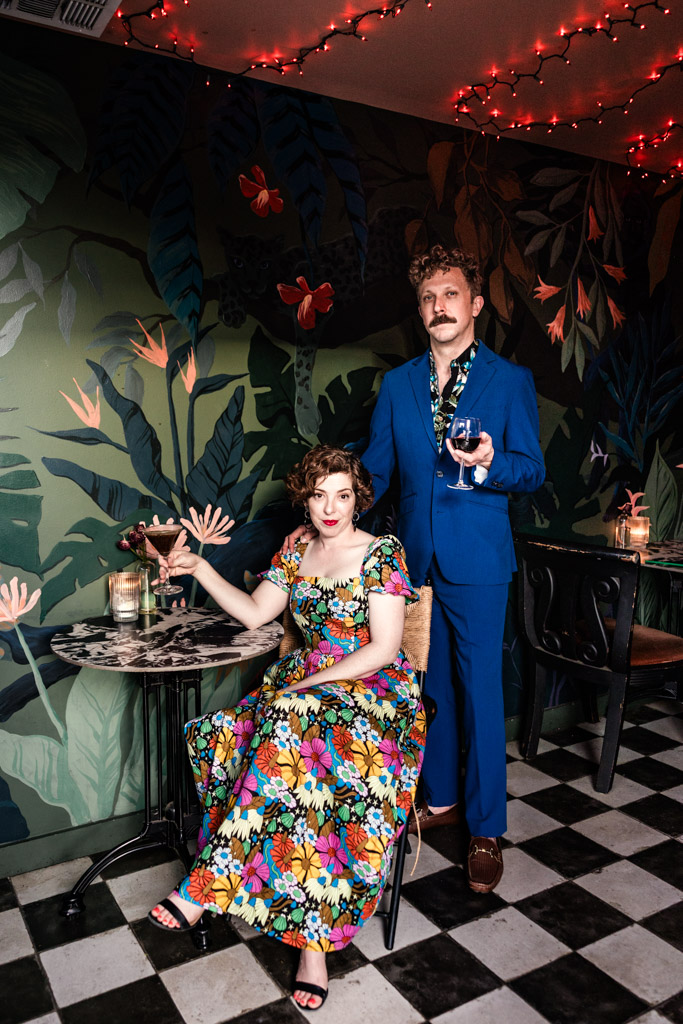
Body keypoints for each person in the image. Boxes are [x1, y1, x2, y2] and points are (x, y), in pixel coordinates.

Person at [285, 245, 545, 894]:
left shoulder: (508, 381)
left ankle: (485, 829)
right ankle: (441, 799)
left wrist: (486, 464)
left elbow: (531, 470)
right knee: (430, 691)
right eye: (429, 298)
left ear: (474, 303)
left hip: (481, 564)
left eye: (451, 294)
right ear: (420, 309)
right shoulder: (397, 384)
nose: (439, 307)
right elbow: (373, 469)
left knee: (481, 692)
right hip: (412, 562)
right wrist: (326, 509)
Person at [148, 444, 426, 1011]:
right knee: (260, 740)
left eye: (343, 495)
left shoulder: (381, 553)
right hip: (306, 684)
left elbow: (385, 648)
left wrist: (307, 686)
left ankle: (207, 886)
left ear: (358, 499)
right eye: (320, 495)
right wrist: (200, 565)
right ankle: (312, 950)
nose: (331, 507)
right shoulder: (296, 551)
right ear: (305, 498)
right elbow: (256, 613)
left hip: (373, 688)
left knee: (292, 719)